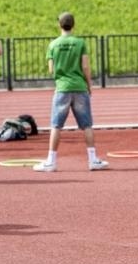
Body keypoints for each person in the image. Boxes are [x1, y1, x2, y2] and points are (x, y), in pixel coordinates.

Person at [32, 12, 110, 173]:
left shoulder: (53, 44)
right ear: (73, 25)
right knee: (87, 125)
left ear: (59, 25)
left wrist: (62, 76)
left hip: (62, 88)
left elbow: (51, 69)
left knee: (56, 125)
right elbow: (86, 66)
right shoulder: (80, 43)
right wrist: (89, 85)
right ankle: (93, 159)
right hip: (79, 86)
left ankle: (51, 161)